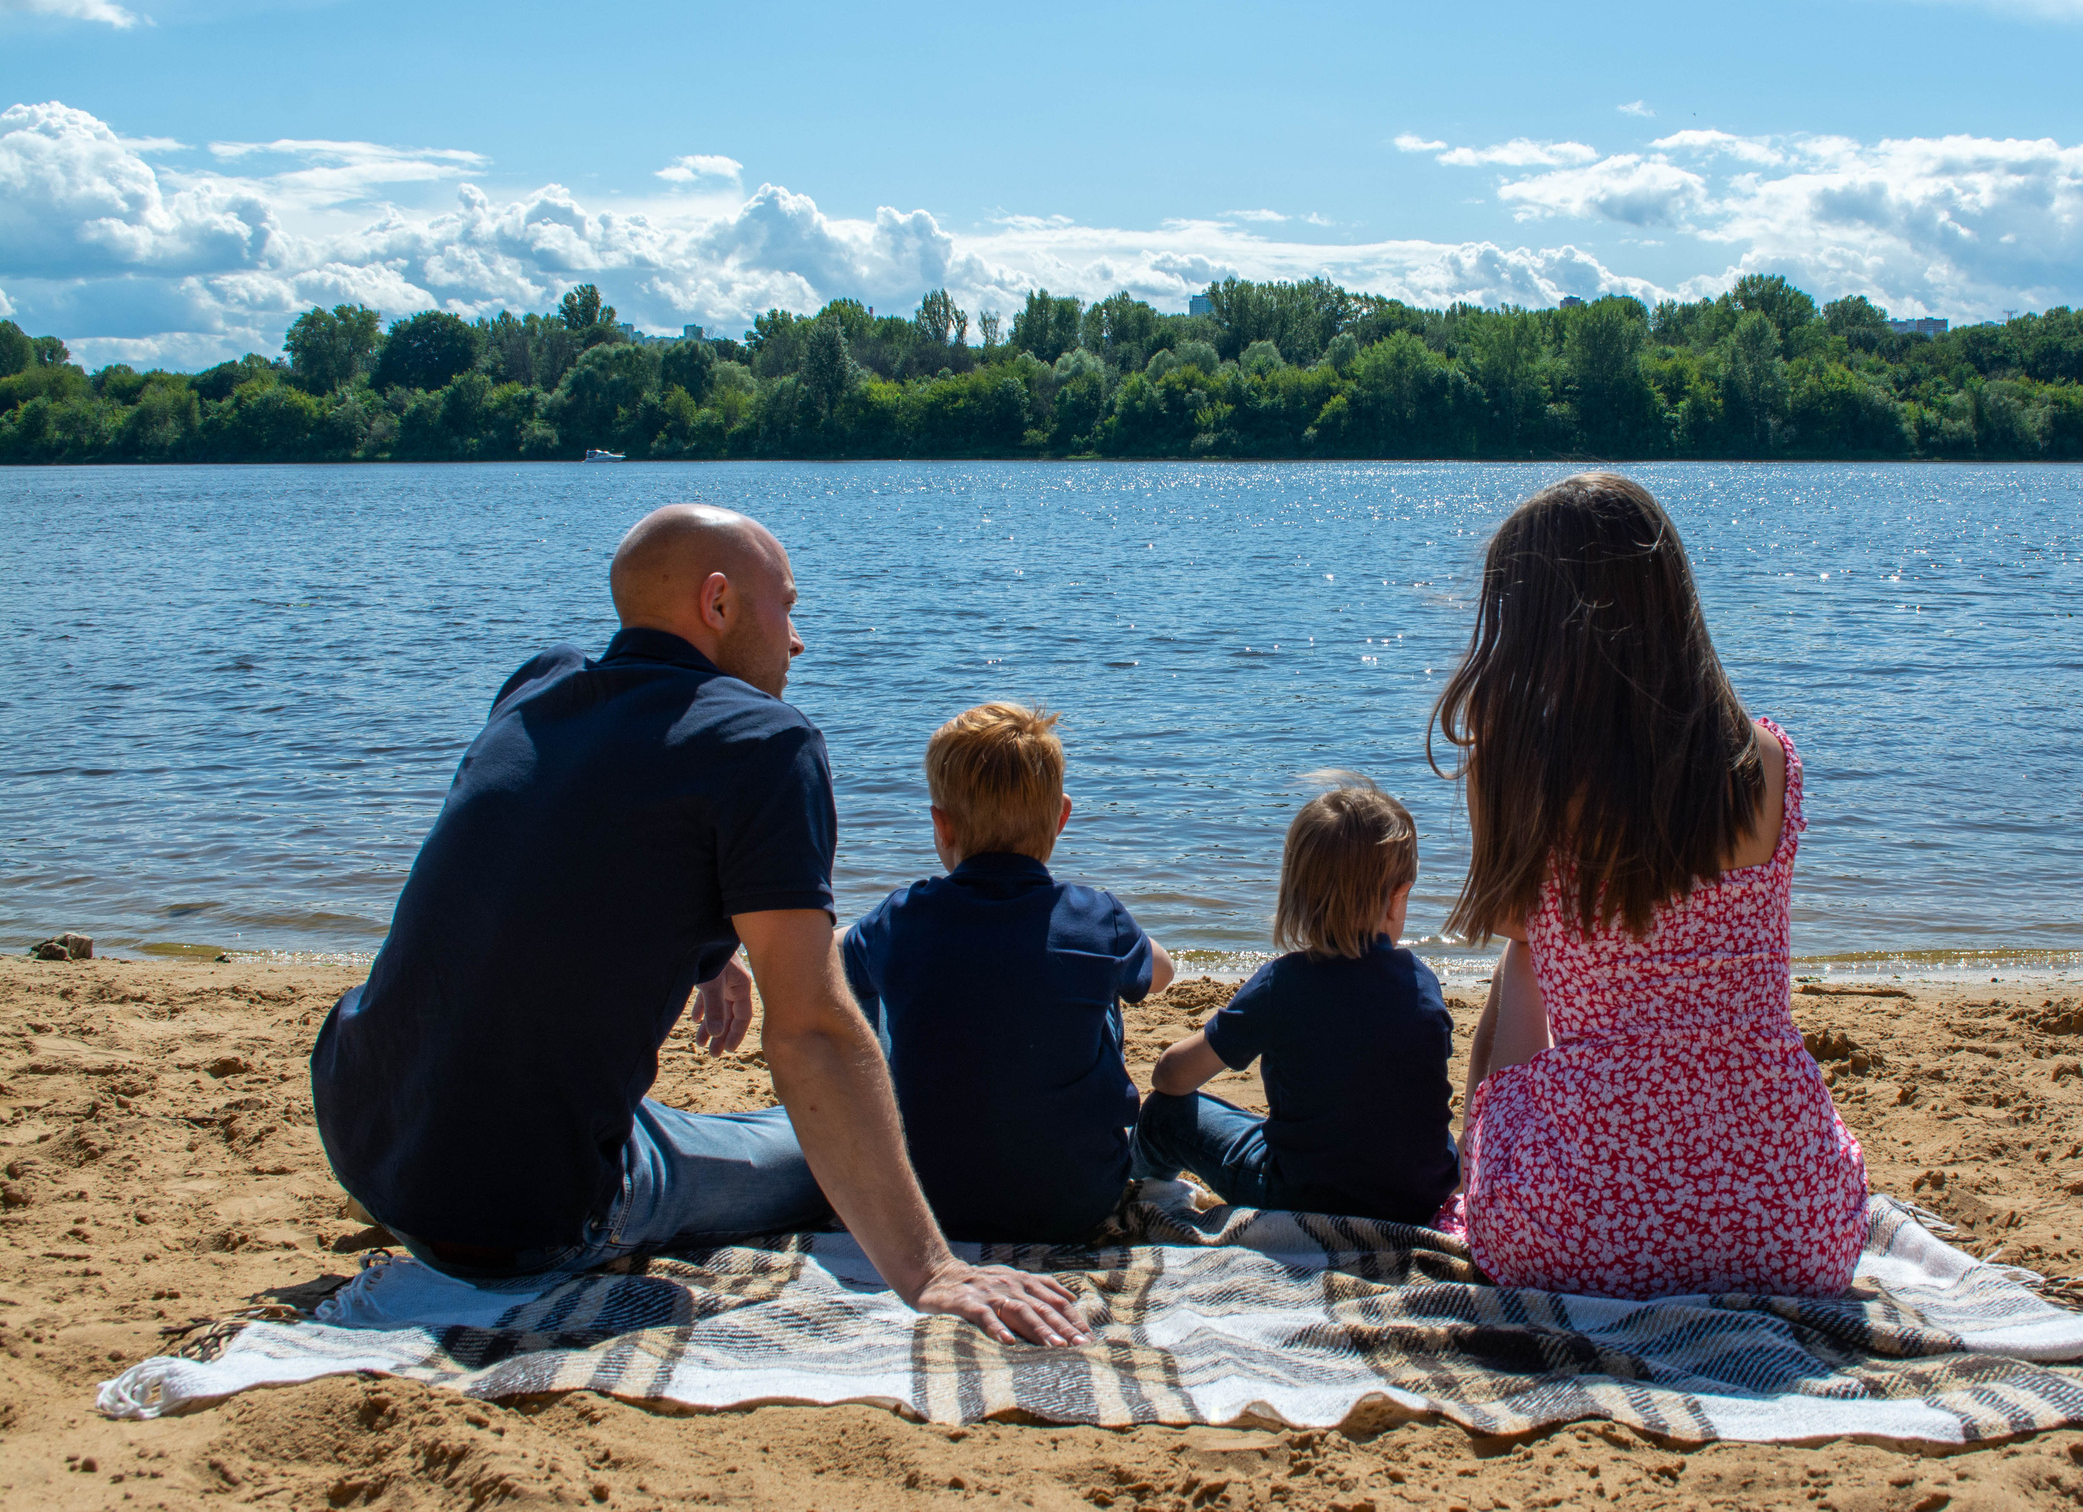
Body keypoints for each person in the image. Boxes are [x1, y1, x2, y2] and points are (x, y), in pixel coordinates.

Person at [308, 504, 1085, 1346]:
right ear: (718, 604)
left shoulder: (539, 683)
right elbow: (813, 1032)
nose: (796, 642)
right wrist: (933, 1271)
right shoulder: (766, 743)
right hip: (521, 1222)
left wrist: (712, 946)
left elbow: (548, 851)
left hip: (363, 1130)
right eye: (787, 606)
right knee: (818, 1140)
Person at [1439, 472, 1868, 1299]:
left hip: (1574, 1227)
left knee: (1523, 955)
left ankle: (1477, 1183)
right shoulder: (1770, 761)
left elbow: (1509, 923)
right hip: (1792, 1219)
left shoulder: (1521, 766)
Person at [842, 703, 1173, 1244]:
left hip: (928, 1200)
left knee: (876, 983)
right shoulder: (1096, 917)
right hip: (1077, 1203)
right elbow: (1161, 974)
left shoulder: (902, 918)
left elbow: (834, 961)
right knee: (1104, 987)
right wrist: (1119, 939)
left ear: (941, 824)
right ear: (1062, 816)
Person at [1137, 777, 1459, 1227]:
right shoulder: (1422, 982)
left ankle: (1141, 1188)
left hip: (1302, 1196)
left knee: (1165, 1115)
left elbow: (1171, 1077)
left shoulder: (1282, 983)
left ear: (1296, 892)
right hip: (1418, 1197)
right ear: (1397, 897)